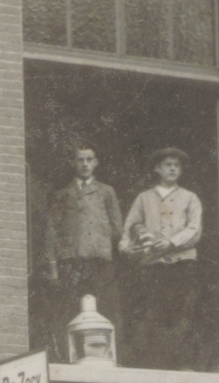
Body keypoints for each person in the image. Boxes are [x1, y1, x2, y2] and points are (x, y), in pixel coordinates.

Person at [119, 146, 203, 370]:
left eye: (177, 165)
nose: (173, 169)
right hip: (153, 266)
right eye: (168, 165)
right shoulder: (144, 198)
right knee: (151, 313)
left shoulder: (190, 198)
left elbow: (194, 229)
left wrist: (172, 243)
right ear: (157, 168)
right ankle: (153, 365)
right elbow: (129, 229)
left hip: (182, 264)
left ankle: (184, 365)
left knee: (183, 313)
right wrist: (130, 249)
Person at [43, 142, 124, 360]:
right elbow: (51, 232)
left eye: (89, 159)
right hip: (71, 260)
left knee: (105, 308)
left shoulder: (106, 192)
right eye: (80, 159)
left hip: (99, 260)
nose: (85, 164)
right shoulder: (62, 195)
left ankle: (108, 357)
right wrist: (53, 266)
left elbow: (117, 227)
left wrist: (101, 240)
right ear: (73, 163)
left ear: (96, 163)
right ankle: (69, 358)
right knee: (70, 310)